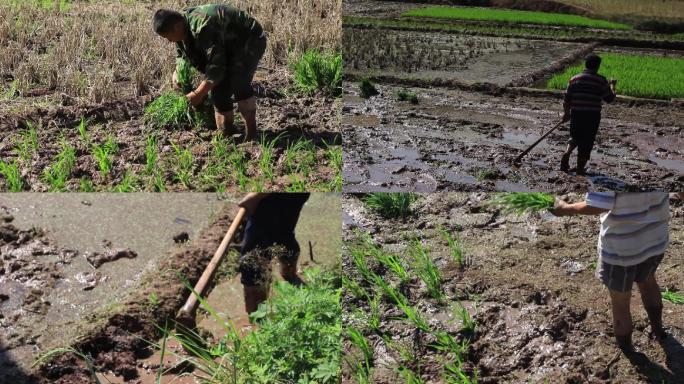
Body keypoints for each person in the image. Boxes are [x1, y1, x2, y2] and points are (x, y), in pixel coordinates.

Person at [552, 192, 676, 352]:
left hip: (620, 250)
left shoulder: (609, 173)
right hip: (654, 241)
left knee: (621, 304)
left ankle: (628, 351)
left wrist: (567, 208)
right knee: (648, 282)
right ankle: (659, 331)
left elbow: (598, 204)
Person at [152, 5, 266, 141]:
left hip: (249, 38)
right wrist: (177, 73)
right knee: (219, 89)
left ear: (176, 26)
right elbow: (182, 56)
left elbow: (216, 66)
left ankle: (252, 135)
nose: (169, 41)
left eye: (168, 37)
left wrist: (198, 94)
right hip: (226, 44)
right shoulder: (182, 31)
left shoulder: (203, 26)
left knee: (238, 81)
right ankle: (226, 132)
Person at [237, 192, 310, 315]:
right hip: (294, 196)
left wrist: (256, 195)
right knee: (284, 232)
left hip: (271, 197)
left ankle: (259, 317)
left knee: (253, 257)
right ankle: (290, 275)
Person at [560, 54, 617, 175]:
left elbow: (566, 100)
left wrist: (566, 114)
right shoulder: (601, 80)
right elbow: (610, 99)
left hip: (576, 114)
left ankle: (567, 153)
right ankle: (580, 169)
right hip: (592, 116)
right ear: (597, 66)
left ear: (586, 64)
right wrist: (613, 85)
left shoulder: (574, 79)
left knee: (575, 136)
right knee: (587, 141)